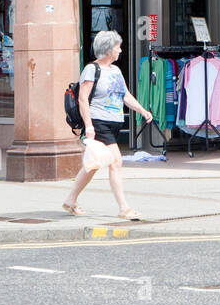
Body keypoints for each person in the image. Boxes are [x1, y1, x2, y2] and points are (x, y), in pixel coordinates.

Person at [63, 30, 153, 221]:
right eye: (117, 47)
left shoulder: (116, 71)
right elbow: (82, 99)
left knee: (93, 164)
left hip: (114, 122)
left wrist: (142, 110)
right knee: (115, 161)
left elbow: (125, 96)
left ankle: (70, 200)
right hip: (98, 121)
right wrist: (89, 125)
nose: (120, 50)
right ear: (107, 49)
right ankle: (124, 208)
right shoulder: (91, 69)